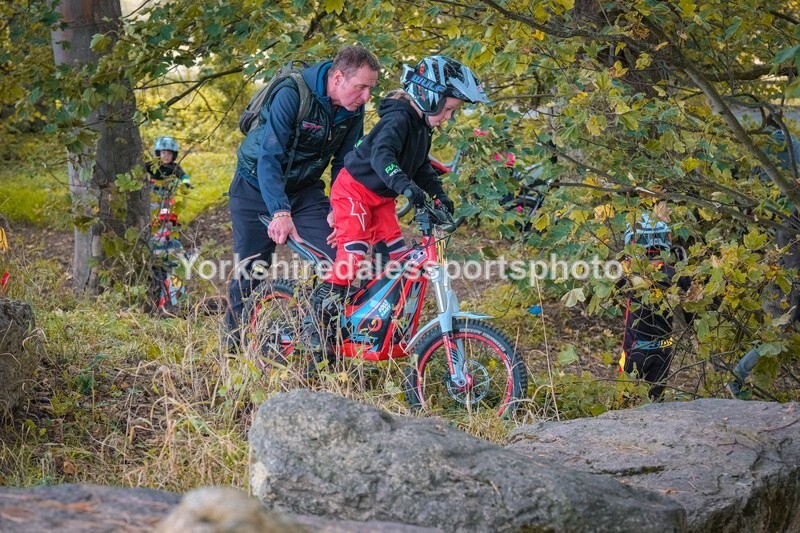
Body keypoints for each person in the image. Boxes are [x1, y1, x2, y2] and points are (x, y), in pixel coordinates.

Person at [304, 55, 490, 354]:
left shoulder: (421, 126)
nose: (448, 117)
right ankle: (316, 325)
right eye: (449, 109)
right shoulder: (399, 118)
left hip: (382, 198)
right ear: (429, 96)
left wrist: (439, 195)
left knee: (401, 260)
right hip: (353, 191)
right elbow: (382, 157)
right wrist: (406, 187)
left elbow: (420, 167)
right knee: (352, 255)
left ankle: (372, 322)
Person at [225, 45, 381, 350]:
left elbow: (345, 162)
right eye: (361, 87)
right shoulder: (292, 93)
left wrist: (341, 207)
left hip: (304, 189)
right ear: (338, 77)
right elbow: (269, 156)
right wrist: (280, 212)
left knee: (342, 256)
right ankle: (233, 350)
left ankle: (321, 343)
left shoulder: (353, 109)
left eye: (370, 89)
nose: (366, 97)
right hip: (255, 187)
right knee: (251, 272)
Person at [729, 116, 800, 399]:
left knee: (776, 340)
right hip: (786, 295)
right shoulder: (789, 232)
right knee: (774, 339)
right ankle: (737, 379)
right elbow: (793, 274)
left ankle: (738, 379)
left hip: (787, 294)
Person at [617, 213, 693, 401]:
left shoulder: (630, 274)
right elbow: (691, 304)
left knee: (623, 400)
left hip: (635, 349)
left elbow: (613, 287)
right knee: (655, 401)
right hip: (664, 349)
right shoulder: (675, 275)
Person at [147, 136, 192, 313]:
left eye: (169, 153)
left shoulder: (174, 169)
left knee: (171, 235)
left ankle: (173, 299)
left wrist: (186, 184)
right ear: (158, 153)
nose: (166, 156)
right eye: (163, 152)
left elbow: (184, 176)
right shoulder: (152, 167)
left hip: (168, 208)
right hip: (153, 208)